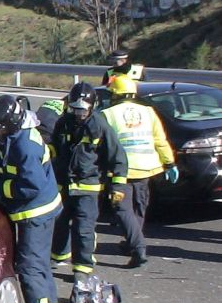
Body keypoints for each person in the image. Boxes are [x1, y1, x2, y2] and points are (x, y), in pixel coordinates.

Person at [0, 95, 61, 303]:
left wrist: (0, 188)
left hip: (35, 212)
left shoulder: (24, 146)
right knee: (39, 263)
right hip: (41, 210)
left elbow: (31, 186)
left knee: (29, 265)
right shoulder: (19, 135)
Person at [50, 83, 129, 279]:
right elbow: (55, 148)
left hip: (88, 187)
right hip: (64, 185)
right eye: (75, 109)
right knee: (59, 223)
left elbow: (117, 157)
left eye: (82, 110)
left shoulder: (100, 126)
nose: (79, 114)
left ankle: (82, 267)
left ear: (92, 106)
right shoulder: (63, 123)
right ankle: (58, 255)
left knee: (83, 229)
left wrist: (117, 186)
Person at [101, 75, 177, 268]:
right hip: (146, 168)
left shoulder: (108, 114)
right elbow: (160, 140)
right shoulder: (148, 112)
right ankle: (131, 242)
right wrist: (169, 163)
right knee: (138, 207)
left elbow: (102, 146)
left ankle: (138, 247)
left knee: (122, 209)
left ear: (115, 94)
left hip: (121, 171)